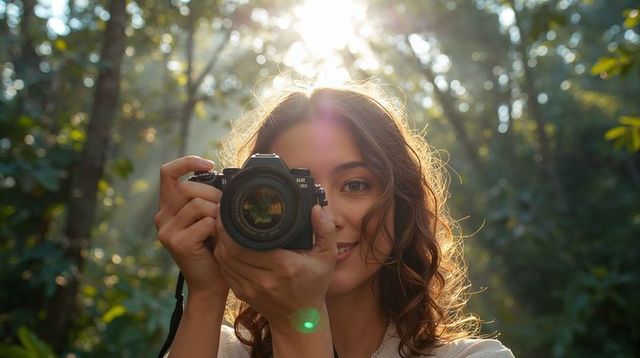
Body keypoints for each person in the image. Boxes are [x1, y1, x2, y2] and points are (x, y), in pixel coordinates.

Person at [154, 82, 514, 357]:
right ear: (241, 204)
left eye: (355, 184)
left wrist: (300, 321)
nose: (325, 217)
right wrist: (205, 294)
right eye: (298, 189)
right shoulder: (219, 350)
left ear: (401, 203)